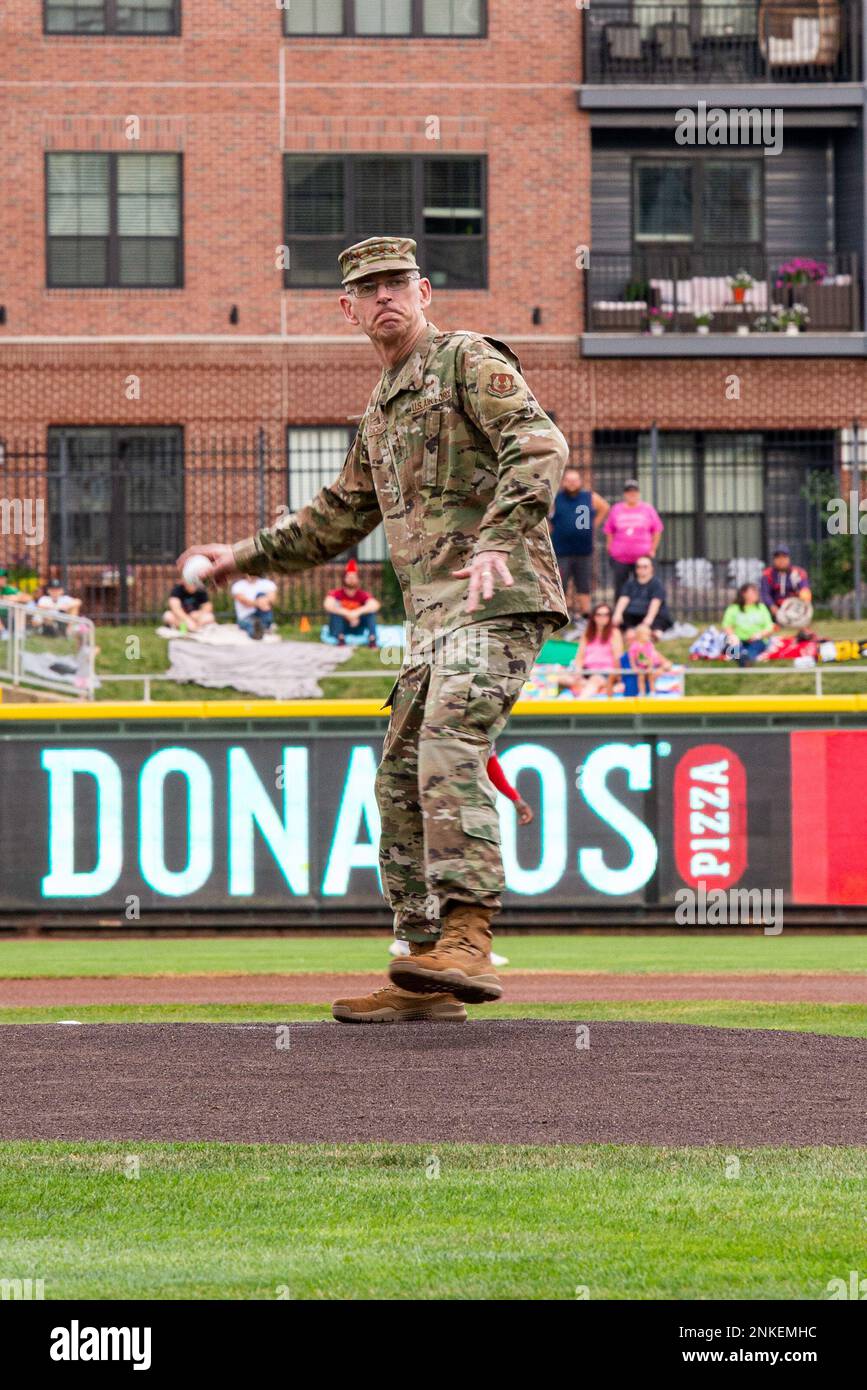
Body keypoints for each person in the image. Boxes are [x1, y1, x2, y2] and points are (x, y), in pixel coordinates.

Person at [178, 233, 569, 1024]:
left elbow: (539, 444)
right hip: (434, 623)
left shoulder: (464, 361)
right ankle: (421, 968)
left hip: (499, 600)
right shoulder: (381, 409)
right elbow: (335, 517)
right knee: (395, 779)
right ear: (347, 308)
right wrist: (238, 560)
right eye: (369, 287)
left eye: (397, 281)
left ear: (423, 292)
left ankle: (467, 932)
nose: (384, 295)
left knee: (447, 740)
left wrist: (497, 536)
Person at [388, 745, 529, 968]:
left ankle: (461, 943)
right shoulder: (447, 718)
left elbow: (489, 761)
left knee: (448, 874)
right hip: (438, 802)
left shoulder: (472, 727)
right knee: (438, 873)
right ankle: (424, 940)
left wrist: (514, 797)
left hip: (449, 802)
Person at [548, 465, 609, 636]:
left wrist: (592, 526)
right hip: (561, 552)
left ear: (580, 482)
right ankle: (562, 619)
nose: (572, 483)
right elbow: (546, 517)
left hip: (584, 552)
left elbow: (605, 507)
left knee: (584, 587)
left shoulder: (589, 497)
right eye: (568, 480)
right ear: (564, 482)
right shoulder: (556, 498)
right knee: (561, 586)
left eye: (575, 480)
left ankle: (584, 619)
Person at [603, 479, 663, 597]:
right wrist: (609, 547)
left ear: (639, 493)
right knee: (620, 587)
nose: (632, 494)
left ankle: (641, 611)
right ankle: (621, 613)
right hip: (620, 557)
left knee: (643, 586)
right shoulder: (616, 509)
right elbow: (609, 530)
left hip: (642, 556)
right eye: (629, 491)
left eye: (634, 491)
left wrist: (653, 549)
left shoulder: (647, 509)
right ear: (624, 494)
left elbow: (657, 530)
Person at [567, 601, 623, 698]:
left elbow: (618, 658)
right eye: (599, 614)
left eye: (606, 615)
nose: (602, 617)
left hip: (606, 672)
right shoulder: (587, 633)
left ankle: (577, 705)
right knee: (561, 677)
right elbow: (580, 656)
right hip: (587, 671)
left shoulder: (614, 633)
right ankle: (603, 688)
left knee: (595, 680)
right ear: (594, 616)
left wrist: (617, 677)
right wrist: (578, 671)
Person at [612, 555, 674, 637]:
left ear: (651, 568)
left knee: (660, 621)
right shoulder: (630, 584)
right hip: (633, 614)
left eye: (645, 567)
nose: (642, 569)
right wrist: (617, 613)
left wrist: (649, 619)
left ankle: (654, 634)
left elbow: (655, 603)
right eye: (639, 567)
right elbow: (624, 599)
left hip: (652, 615)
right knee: (622, 619)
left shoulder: (656, 584)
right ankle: (630, 632)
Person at [324, 558, 381, 647]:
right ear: (344, 579)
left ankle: (372, 639)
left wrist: (357, 613)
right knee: (335, 612)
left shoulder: (362, 594)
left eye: (353, 577)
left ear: (358, 579)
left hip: (357, 626)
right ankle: (340, 639)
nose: (351, 579)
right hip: (341, 626)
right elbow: (328, 605)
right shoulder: (336, 593)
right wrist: (348, 614)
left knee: (370, 612)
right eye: (349, 577)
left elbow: (375, 605)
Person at [722, 582, 775, 667]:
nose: (756, 594)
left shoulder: (761, 607)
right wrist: (733, 637)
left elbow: (769, 627)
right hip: (738, 640)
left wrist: (759, 635)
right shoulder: (733, 608)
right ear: (744, 594)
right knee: (733, 644)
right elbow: (727, 625)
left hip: (757, 640)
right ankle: (741, 657)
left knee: (754, 648)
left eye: (756, 592)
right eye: (753, 592)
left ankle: (744, 658)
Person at [760, 547, 812, 620]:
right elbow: (765, 593)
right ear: (774, 560)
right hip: (775, 608)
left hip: (794, 606)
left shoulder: (798, 572)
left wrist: (804, 593)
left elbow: (805, 587)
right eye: (778, 558)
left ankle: (800, 619)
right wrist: (772, 606)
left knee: (805, 595)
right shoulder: (767, 574)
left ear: (789, 559)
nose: (781, 560)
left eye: (784, 557)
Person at [232, 573, 280, 642]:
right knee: (250, 624)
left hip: (261, 614)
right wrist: (262, 602)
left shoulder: (267, 584)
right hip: (246, 616)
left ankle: (261, 628)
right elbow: (244, 601)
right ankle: (256, 632)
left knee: (260, 595)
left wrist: (259, 602)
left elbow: (272, 599)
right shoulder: (238, 586)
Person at [627, 623, 672, 695]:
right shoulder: (635, 646)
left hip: (649, 665)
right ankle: (642, 692)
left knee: (651, 677)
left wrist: (650, 667)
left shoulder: (649, 645)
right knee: (640, 678)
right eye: (646, 635)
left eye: (649, 635)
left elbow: (650, 657)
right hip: (640, 666)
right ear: (639, 636)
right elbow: (632, 658)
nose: (648, 637)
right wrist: (634, 667)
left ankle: (652, 692)